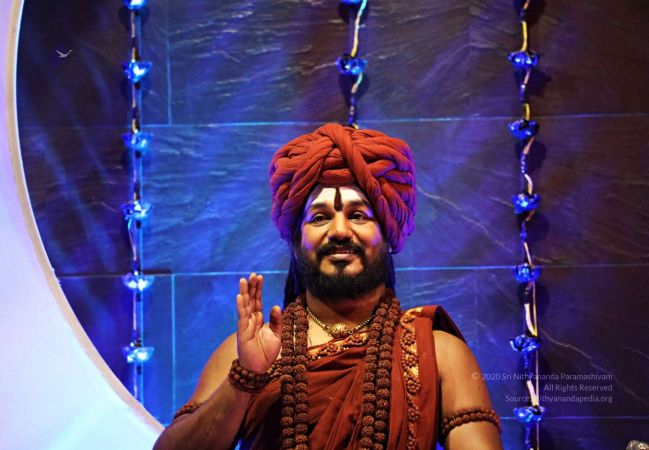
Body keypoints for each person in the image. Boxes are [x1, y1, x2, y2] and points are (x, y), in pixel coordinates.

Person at [153, 123, 503, 450]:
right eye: (320, 217)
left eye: (358, 215)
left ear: (387, 235)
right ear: (295, 241)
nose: (339, 231)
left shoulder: (438, 353)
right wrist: (244, 379)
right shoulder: (246, 354)